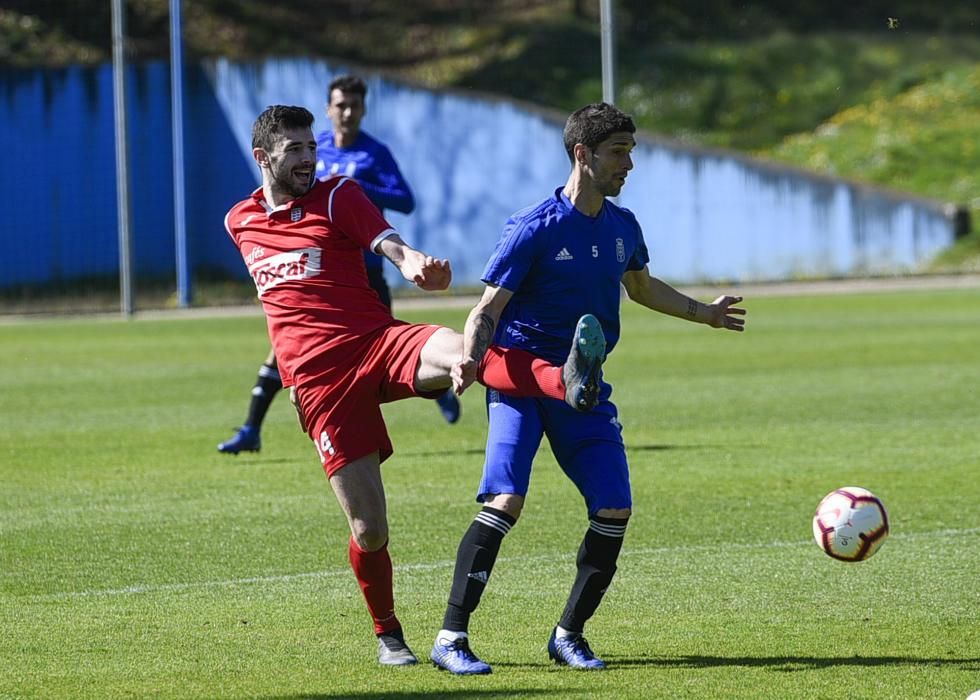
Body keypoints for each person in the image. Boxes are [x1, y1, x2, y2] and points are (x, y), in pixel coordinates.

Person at [224, 104, 609, 666]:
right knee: (369, 529)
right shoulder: (239, 221)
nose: (310, 158)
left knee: (461, 346)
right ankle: (389, 636)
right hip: (319, 384)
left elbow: (388, 243)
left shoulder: (338, 196)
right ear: (264, 158)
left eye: (312, 147)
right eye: (295, 151)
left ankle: (565, 379)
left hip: (374, 343)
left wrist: (412, 264)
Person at [429, 102, 747, 675]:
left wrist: (705, 313)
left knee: (615, 507)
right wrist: (469, 360)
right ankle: (451, 637)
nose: (629, 164)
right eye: (618, 152)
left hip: (586, 389)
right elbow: (485, 310)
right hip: (523, 380)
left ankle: (568, 635)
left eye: (630, 151)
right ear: (583, 154)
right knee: (505, 501)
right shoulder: (534, 227)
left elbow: (641, 286)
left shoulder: (623, 226)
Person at [218, 75, 459, 455]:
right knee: (283, 350)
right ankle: (251, 427)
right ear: (329, 109)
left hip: (367, 270)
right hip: (315, 282)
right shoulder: (247, 213)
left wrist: (357, 183)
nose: (347, 113)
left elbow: (405, 200)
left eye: (355, 106)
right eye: (340, 105)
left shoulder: (370, 156)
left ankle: (444, 385)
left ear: (363, 110)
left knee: (394, 352)